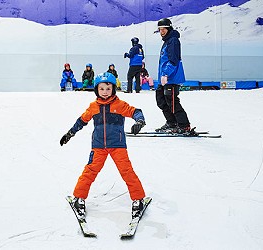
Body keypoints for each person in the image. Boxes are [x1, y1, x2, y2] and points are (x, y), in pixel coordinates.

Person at [60, 72, 147, 219]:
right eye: (102, 89)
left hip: (117, 145)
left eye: (108, 88)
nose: (105, 92)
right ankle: (78, 197)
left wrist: (139, 122)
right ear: (96, 90)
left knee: (127, 171)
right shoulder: (93, 107)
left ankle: (138, 199)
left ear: (113, 89)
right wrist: (70, 133)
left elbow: (136, 112)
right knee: (90, 171)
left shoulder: (119, 105)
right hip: (98, 146)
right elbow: (81, 121)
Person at [155, 18, 191, 133]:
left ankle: (183, 125)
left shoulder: (173, 40)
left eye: (164, 29)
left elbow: (173, 60)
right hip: (165, 78)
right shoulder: (167, 41)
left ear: (169, 28)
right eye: (160, 29)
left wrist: (166, 73)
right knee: (161, 100)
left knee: (172, 102)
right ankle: (172, 122)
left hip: (171, 77)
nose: (162, 31)